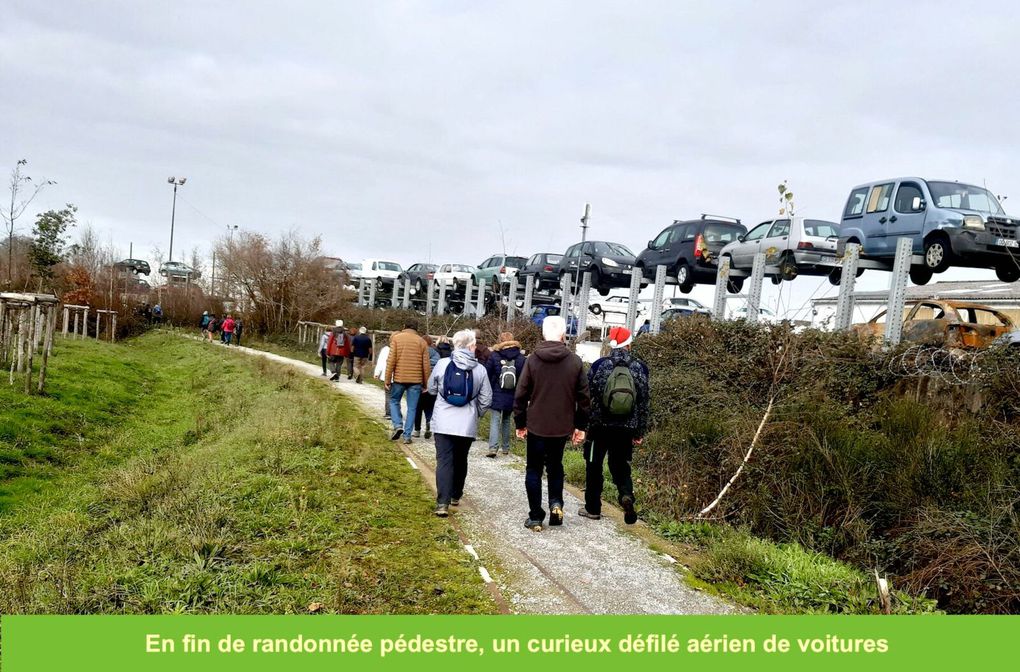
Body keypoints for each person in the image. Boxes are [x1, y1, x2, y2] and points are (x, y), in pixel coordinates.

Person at [513, 316, 590, 532]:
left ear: (544, 335)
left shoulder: (532, 360)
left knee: (534, 469)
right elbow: (584, 398)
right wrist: (580, 426)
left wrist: (520, 422)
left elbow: (520, 395)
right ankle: (556, 502)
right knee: (555, 466)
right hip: (561, 426)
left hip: (536, 424)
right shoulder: (575, 361)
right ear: (563, 335)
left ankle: (536, 516)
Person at [578, 326, 650, 525]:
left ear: (611, 344)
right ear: (629, 344)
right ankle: (626, 495)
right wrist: (639, 430)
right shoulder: (640, 368)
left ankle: (592, 508)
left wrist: (582, 425)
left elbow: (587, 397)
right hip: (626, 428)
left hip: (599, 427)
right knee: (620, 466)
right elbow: (644, 402)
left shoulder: (600, 365)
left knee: (594, 466)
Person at [427, 329, 492, 517]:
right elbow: (486, 399)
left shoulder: (442, 364)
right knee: (461, 459)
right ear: (472, 346)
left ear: (455, 345)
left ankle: (442, 503)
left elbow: (432, 388)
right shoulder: (480, 369)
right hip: (466, 424)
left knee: (444, 461)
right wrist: (475, 414)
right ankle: (456, 495)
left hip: (443, 422)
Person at [385, 319, 431, 443]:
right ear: (416, 328)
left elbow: (391, 361)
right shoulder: (422, 342)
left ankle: (398, 425)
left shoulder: (396, 339)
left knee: (394, 401)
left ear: (404, 326)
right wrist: (426, 384)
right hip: (416, 381)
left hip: (399, 378)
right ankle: (407, 436)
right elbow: (426, 366)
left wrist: (388, 379)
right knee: (412, 408)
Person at [484, 331, 526, 457]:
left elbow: (487, 373)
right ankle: (506, 448)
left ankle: (493, 448)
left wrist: (489, 390)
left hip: (497, 392)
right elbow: (523, 378)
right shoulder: (520, 358)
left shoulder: (495, 355)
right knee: (507, 420)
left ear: (500, 340)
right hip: (512, 393)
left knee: (495, 419)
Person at [414, 335, 440, 438]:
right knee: (430, 407)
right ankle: (429, 422)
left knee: (418, 408)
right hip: (432, 386)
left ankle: (417, 430)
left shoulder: (418, 353)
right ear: (430, 343)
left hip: (419, 384)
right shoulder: (436, 355)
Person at [374, 342, 391, 418]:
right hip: (399, 376)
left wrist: (377, 372)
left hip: (387, 375)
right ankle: (396, 412)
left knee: (388, 395)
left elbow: (380, 362)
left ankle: (389, 413)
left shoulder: (385, 350)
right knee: (396, 396)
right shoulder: (402, 348)